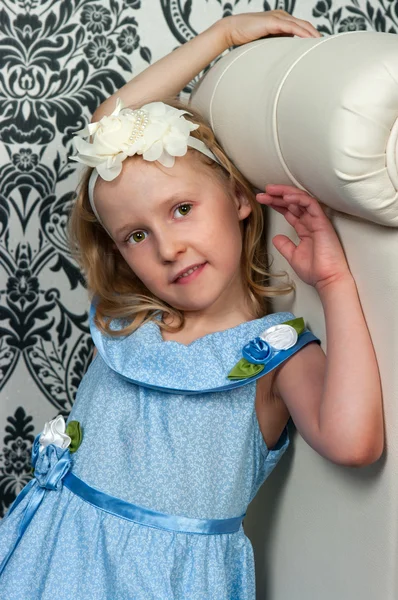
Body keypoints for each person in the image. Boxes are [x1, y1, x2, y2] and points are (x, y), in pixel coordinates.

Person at [0, 10, 383, 600]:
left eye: (181, 209)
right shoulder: (135, 316)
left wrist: (333, 280)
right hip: (51, 559)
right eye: (136, 236)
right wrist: (221, 36)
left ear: (236, 197)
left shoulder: (271, 355)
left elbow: (355, 443)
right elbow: (111, 128)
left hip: (167, 583)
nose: (167, 246)